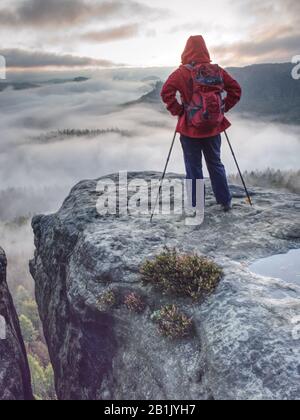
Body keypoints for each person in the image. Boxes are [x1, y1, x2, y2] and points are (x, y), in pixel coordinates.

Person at [161, 35, 242, 214]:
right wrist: (221, 109)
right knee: (215, 163)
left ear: (186, 50)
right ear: (205, 49)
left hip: (190, 129)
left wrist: (179, 111)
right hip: (213, 127)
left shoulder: (181, 73)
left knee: (193, 166)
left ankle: (197, 207)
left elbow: (165, 92)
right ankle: (225, 201)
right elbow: (236, 90)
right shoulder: (217, 71)